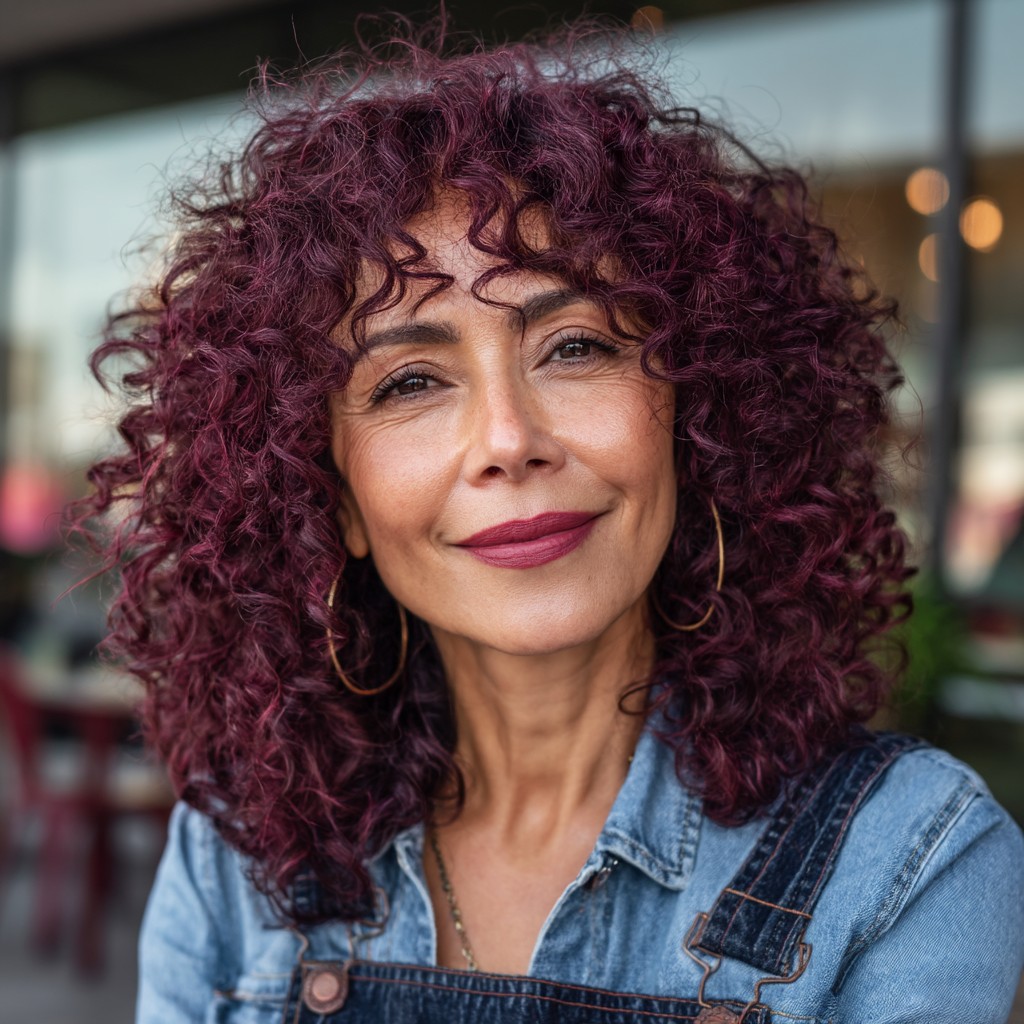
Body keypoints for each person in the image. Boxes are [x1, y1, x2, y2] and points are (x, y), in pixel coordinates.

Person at [75, 22, 1023, 1024]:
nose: (507, 438)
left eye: (574, 347)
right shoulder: (233, 856)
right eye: (408, 379)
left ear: (692, 419)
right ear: (337, 502)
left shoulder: (906, 857)